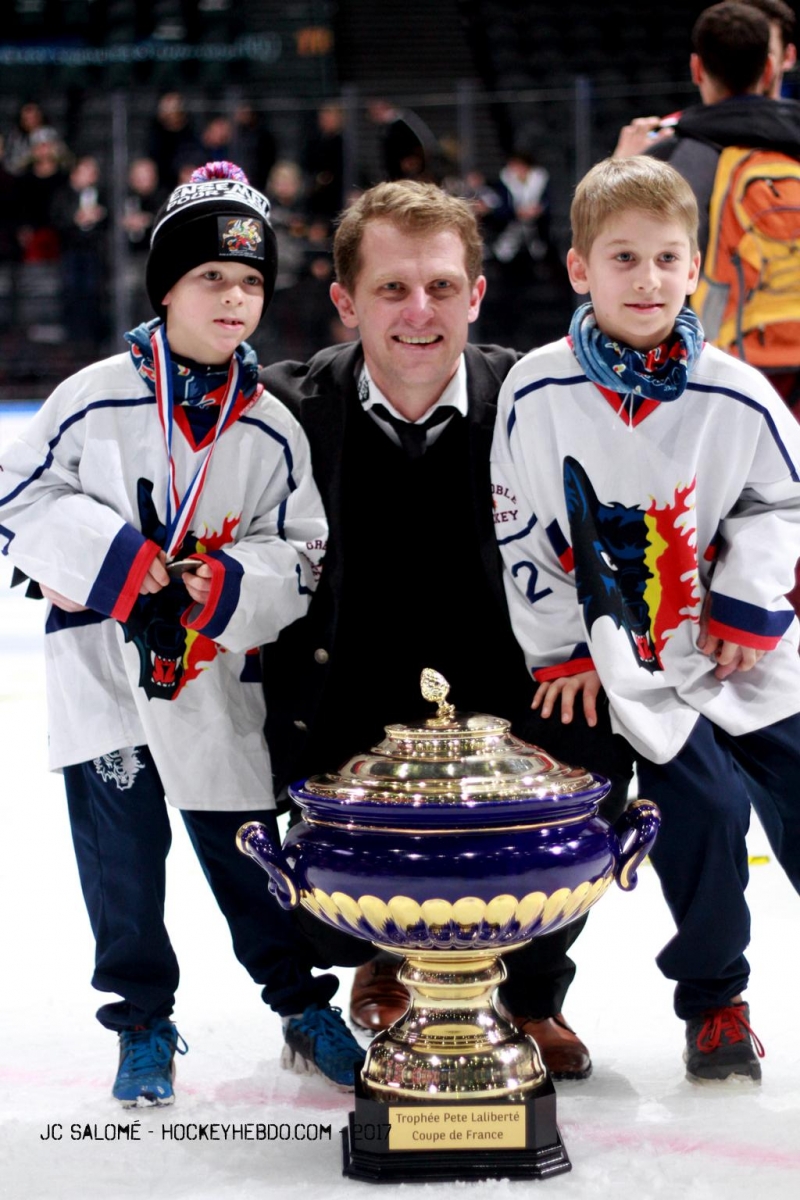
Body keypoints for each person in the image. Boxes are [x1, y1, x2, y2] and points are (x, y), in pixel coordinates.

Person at [0, 161, 366, 1105]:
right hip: (104, 674)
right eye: (211, 278)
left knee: (248, 855)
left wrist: (229, 582)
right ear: (166, 287)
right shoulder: (92, 397)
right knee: (120, 865)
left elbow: (304, 548)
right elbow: (16, 493)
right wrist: (116, 559)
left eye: (250, 282)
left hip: (211, 674)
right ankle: (141, 1024)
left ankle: (299, 1004)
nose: (234, 298)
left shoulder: (273, 426)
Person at [261, 180, 634, 1081]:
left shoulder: (542, 399)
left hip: (513, 692)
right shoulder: (284, 412)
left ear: (476, 294)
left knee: (600, 718)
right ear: (346, 301)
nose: (417, 312)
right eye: (391, 289)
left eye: (439, 287)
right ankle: (385, 951)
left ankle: (534, 990)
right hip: (348, 706)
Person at [491, 154, 800, 1084]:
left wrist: (747, 603)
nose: (648, 280)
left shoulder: (737, 389)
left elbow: (780, 504)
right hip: (603, 662)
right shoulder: (537, 391)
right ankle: (690, 1002)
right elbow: (519, 532)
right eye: (623, 259)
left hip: (730, 653)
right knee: (685, 811)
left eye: (668, 258)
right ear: (581, 269)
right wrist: (556, 652)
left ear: (696, 265)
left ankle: (713, 998)